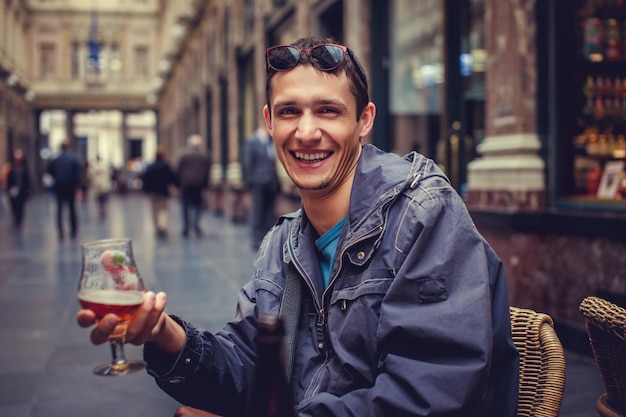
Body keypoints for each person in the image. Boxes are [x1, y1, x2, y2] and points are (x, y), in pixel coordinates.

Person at [78, 37, 519, 417]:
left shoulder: (424, 215)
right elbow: (252, 370)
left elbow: (429, 396)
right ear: (270, 123)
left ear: (363, 120)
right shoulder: (283, 243)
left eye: (328, 110)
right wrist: (166, 336)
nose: (307, 132)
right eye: (290, 112)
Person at [243, 125, 281, 249]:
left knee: (269, 212)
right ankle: (256, 238)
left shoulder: (270, 143)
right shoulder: (252, 142)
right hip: (258, 183)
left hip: (271, 183)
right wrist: (252, 180)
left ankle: (267, 238)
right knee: (257, 211)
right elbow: (248, 163)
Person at [140, 146, 179, 238]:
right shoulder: (166, 165)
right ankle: (162, 226)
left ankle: (157, 227)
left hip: (153, 192)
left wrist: (145, 189)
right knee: (164, 210)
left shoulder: (151, 166)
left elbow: (146, 179)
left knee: (154, 210)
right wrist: (176, 186)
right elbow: (172, 177)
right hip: (163, 191)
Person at [176, 134, 210, 238]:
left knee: (185, 206)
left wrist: (178, 184)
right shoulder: (204, 155)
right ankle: (195, 224)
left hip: (186, 184)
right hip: (198, 184)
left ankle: (186, 227)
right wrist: (205, 184)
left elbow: (178, 169)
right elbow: (207, 171)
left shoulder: (183, 155)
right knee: (198, 206)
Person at [47, 139, 82, 241]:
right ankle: (73, 230)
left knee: (59, 210)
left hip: (59, 187)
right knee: (72, 209)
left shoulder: (56, 159)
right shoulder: (73, 159)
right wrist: (77, 186)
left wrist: (57, 178)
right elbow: (77, 174)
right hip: (70, 187)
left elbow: (49, 170)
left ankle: (61, 232)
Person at [6, 149, 31, 231]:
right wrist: (10, 189)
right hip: (13, 191)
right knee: (14, 207)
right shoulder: (11, 170)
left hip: (22, 191)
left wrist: (28, 189)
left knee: (21, 207)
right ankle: (16, 220)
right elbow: (9, 181)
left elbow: (27, 180)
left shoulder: (24, 170)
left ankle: (19, 222)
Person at [87, 155, 112, 219]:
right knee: (104, 198)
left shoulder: (93, 167)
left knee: (99, 199)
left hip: (97, 185)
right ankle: (103, 208)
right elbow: (109, 174)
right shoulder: (105, 166)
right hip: (104, 185)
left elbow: (89, 176)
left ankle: (101, 208)